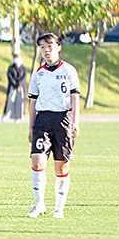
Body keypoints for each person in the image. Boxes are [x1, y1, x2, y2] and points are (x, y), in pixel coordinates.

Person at [27, 33, 80, 219]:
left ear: (59, 47)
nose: (46, 50)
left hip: (63, 120)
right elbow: (33, 101)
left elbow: (75, 97)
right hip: (42, 120)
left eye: (49, 46)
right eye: (42, 47)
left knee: (62, 167)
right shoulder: (38, 73)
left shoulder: (68, 70)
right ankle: (39, 205)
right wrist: (31, 127)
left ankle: (59, 208)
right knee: (37, 161)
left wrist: (75, 122)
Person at [2, 53, 27, 123]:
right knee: (10, 101)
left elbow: (23, 78)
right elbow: (10, 78)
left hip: (21, 88)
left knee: (20, 102)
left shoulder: (24, 68)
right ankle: (6, 116)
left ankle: (18, 117)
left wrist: (19, 86)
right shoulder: (11, 68)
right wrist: (15, 86)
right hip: (12, 87)